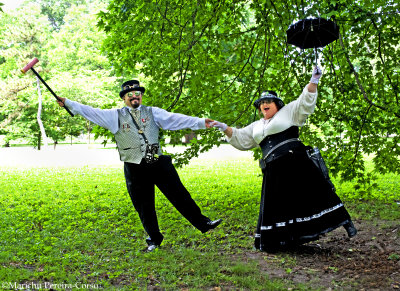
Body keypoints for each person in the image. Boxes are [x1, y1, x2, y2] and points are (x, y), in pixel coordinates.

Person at [57, 80, 222, 252]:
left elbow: (176, 119)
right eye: (130, 94)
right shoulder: (114, 116)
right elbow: (90, 111)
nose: (134, 97)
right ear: (124, 98)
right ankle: (154, 239)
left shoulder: (153, 112)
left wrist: (202, 122)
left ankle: (204, 223)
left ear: (141, 96)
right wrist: (68, 103)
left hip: (154, 158)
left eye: (138, 94)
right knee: (143, 205)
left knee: (179, 193)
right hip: (134, 163)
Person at [211, 66, 357, 252]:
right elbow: (241, 138)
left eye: (269, 101)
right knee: (282, 206)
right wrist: (224, 127)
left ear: (277, 104)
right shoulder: (256, 126)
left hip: (296, 162)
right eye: (261, 102)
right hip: (274, 170)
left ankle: (346, 223)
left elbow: (306, 101)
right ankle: (289, 240)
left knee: (319, 194)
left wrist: (314, 80)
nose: (264, 104)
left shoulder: (289, 112)